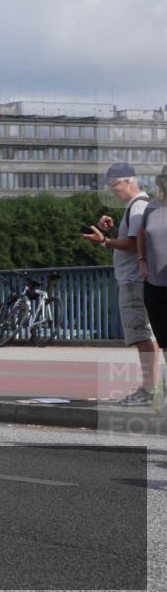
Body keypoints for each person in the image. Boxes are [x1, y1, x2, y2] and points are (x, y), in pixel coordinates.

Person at [83, 162, 158, 406]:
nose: (112, 190)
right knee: (144, 334)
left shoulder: (138, 207)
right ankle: (152, 389)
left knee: (141, 335)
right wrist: (114, 230)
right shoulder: (139, 205)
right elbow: (132, 239)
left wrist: (104, 240)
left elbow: (134, 244)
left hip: (134, 280)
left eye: (114, 184)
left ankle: (149, 390)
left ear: (129, 181)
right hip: (140, 279)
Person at [137, 164, 167, 414]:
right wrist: (142, 259)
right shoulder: (151, 207)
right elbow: (141, 233)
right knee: (164, 340)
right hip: (154, 284)